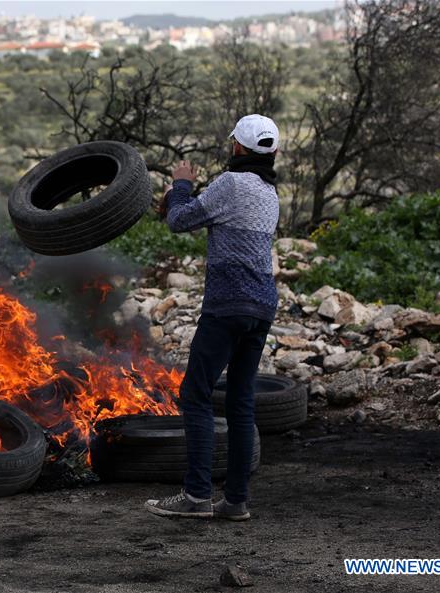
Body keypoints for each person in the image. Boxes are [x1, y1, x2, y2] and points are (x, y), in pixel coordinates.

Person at [145, 114, 280, 521]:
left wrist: (181, 183)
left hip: (227, 305)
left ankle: (197, 495)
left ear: (237, 147)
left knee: (195, 394)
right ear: (271, 152)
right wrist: (176, 198)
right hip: (261, 307)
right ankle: (235, 502)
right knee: (240, 401)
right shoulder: (270, 194)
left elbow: (179, 221)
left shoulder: (231, 183)